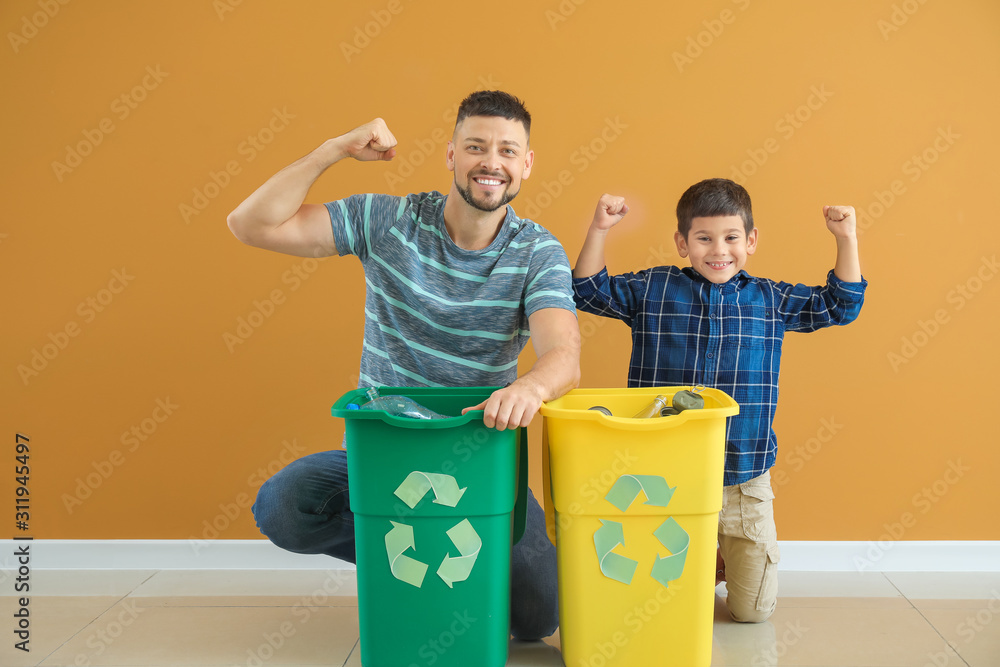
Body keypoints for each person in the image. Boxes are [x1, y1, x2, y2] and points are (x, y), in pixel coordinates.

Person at [226, 90, 580, 639]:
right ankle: (408, 556)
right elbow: (251, 224)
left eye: (508, 151)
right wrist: (333, 150)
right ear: (451, 155)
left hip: (479, 462)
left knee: (538, 617)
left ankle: (447, 567)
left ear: (526, 164)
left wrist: (532, 387)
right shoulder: (389, 221)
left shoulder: (537, 252)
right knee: (282, 507)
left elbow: (563, 355)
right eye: (476, 146)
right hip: (382, 456)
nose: (492, 162)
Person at [571, 178, 866, 623]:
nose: (718, 250)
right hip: (662, 472)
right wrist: (599, 229)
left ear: (750, 241)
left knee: (752, 613)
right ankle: (699, 559)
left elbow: (841, 305)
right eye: (704, 238)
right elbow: (588, 291)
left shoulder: (770, 299)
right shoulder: (653, 288)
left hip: (742, 477)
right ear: (682, 243)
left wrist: (846, 238)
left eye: (731, 238)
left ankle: (723, 558)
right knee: (661, 598)